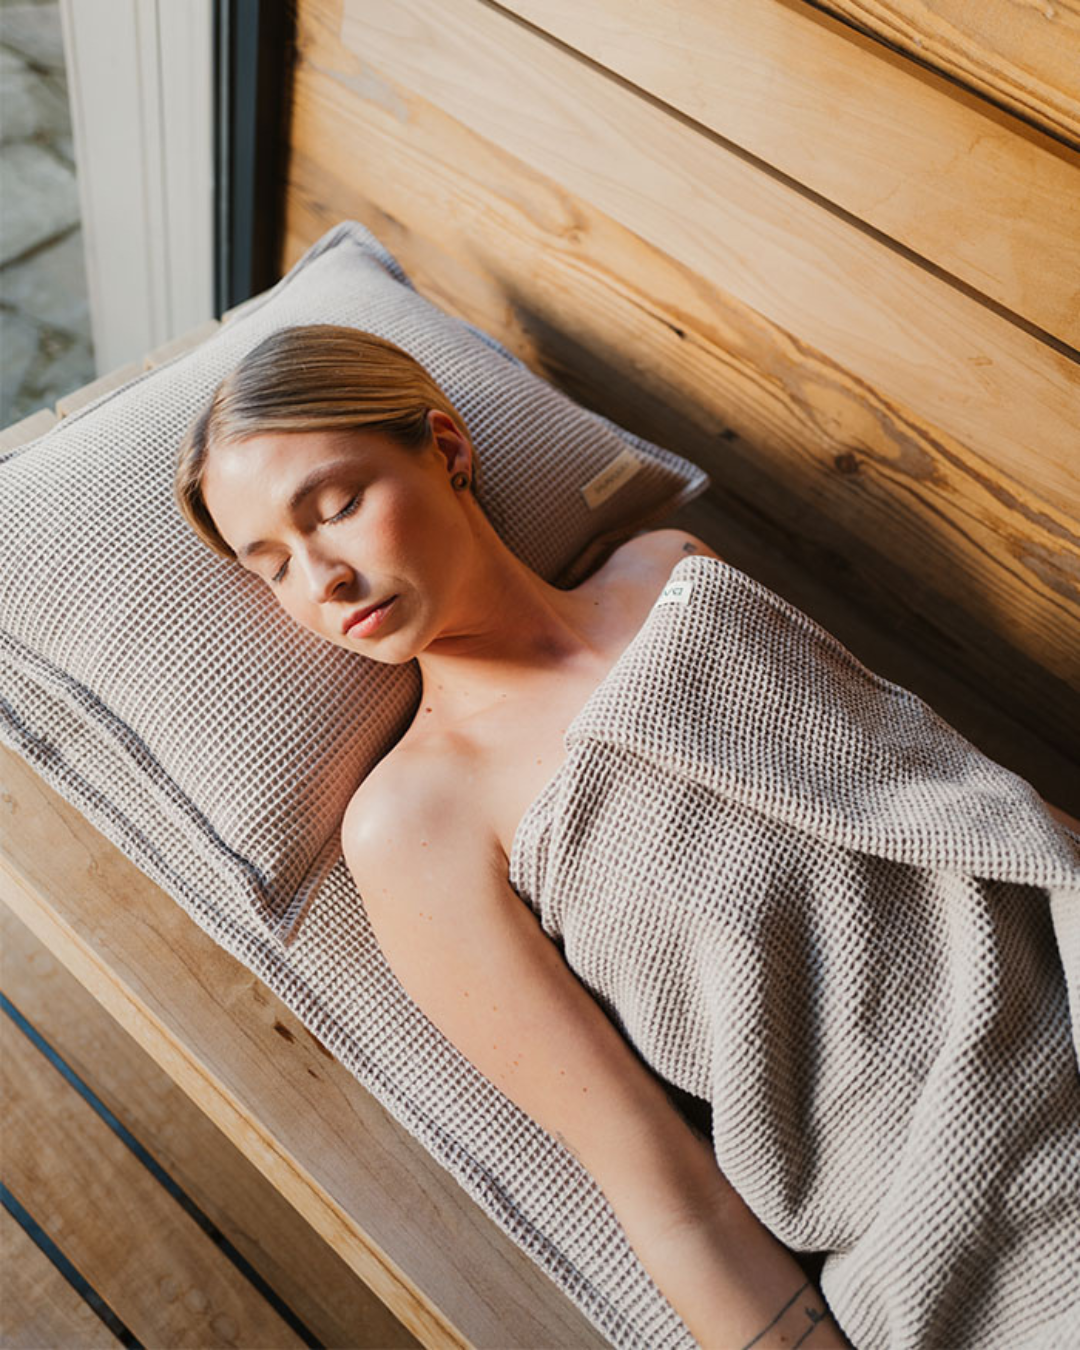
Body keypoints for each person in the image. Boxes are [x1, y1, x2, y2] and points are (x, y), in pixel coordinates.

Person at [176, 323, 853, 1348]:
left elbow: (934, 785)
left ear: (446, 449)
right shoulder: (418, 825)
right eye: (271, 565)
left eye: (338, 507)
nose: (323, 578)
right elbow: (667, 1192)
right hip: (947, 1189)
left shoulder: (674, 575)